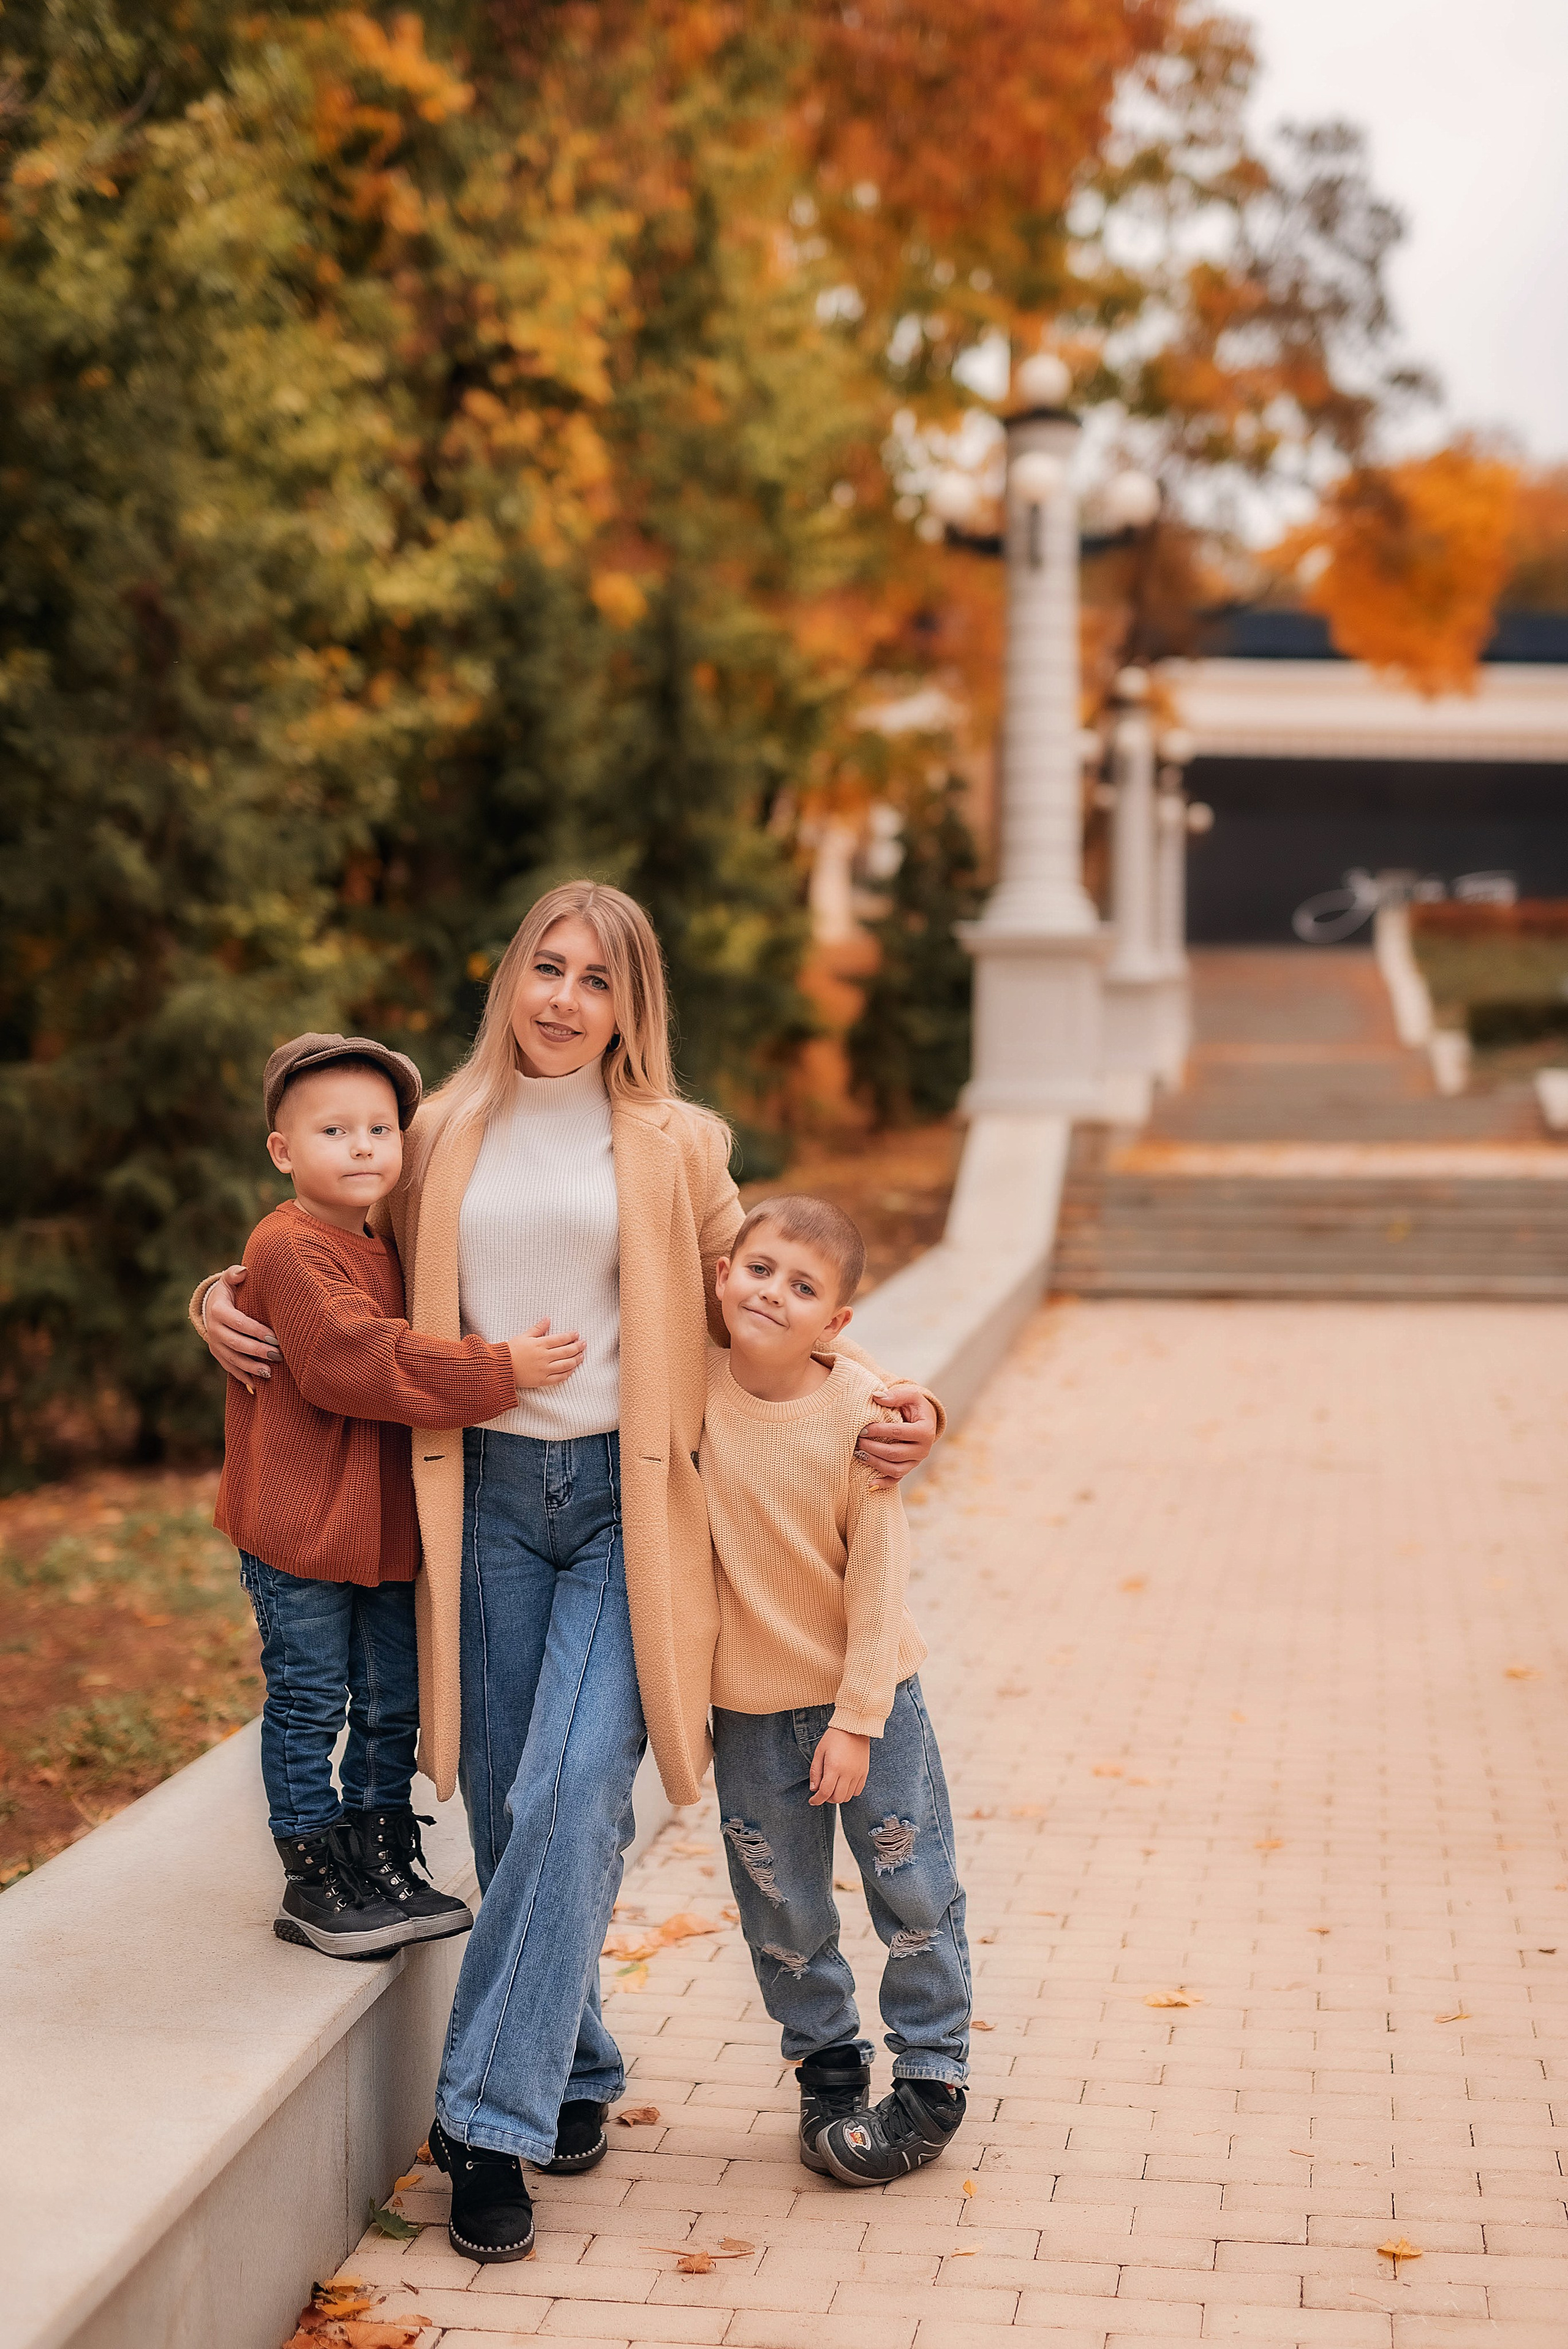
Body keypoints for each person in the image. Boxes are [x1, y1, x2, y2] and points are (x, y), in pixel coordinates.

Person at [195, 881, 940, 2262]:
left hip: (622, 1509)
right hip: (477, 1498)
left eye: (598, 981)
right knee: (504, 1807)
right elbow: (325, 1245)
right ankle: (577, 2062)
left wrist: (899, 1394)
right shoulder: (434, 1131)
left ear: (629, 1007)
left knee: (571, 1790)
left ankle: (486, 2121)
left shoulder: (678, 1142)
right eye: (548, 967)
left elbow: (769, 1296)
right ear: (511, 976)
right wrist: (218, 1293)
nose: (564, 999)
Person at [216, 1033, 575, 1958]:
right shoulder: (287, 1244)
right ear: (283, 1150)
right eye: (335, 1130)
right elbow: (356, 1360)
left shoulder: (388, 1240)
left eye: (380, 1128)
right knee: (309, 1698)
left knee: (389, 1699)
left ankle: (378, 1853)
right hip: (300, 1524)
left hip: (381, 1521)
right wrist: (503, 1369)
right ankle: (312, 1876)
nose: (363, 1146)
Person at [703, 1192, 970, 2185]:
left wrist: (857, 1720)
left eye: (804, 1286)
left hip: (870, 1700)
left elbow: (878, 1580)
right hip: (750, 1709)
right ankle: (827, 2065)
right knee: (782, 1905)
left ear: (837, 1319)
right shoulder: (689, 1388)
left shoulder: (863, 1418)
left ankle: (934, 2074)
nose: (774, 1293)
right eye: (759, 1269)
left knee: (912, 1886)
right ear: (722, 1274)